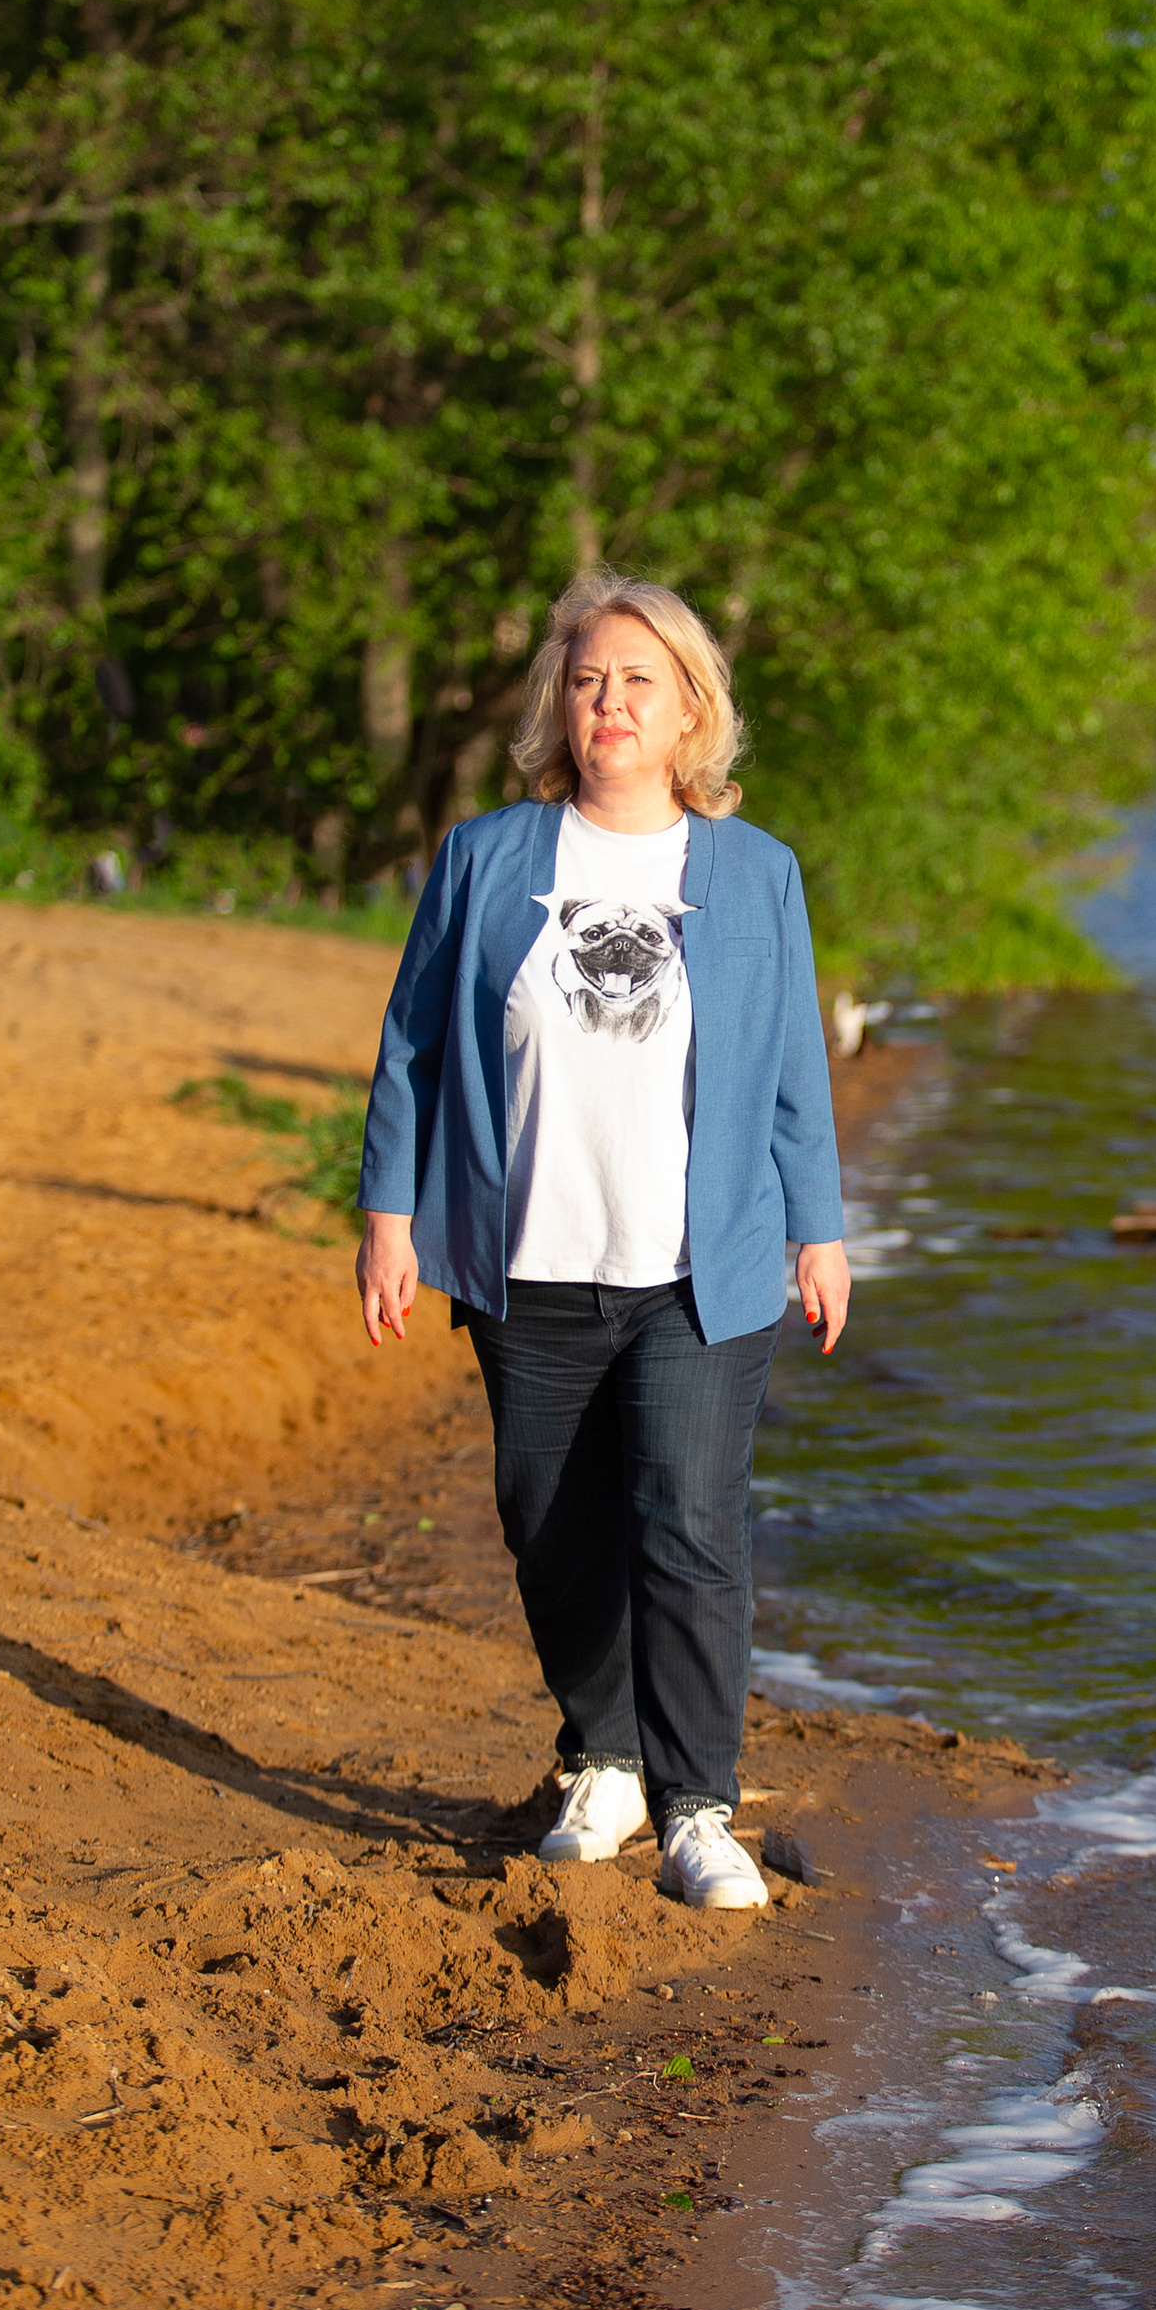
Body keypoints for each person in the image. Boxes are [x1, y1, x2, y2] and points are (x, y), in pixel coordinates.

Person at [353, 573, 849, 1913]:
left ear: (691, 707)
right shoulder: (486, 858)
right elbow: (409, 1046)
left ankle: (698, 1808)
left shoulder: (757, 875)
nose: (608, 702)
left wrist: (820, 1230)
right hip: (528, 1261)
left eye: (638, 680)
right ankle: (605, 1757)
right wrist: (388, 1215)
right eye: (587, 681)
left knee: (688, 1525)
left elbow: (796, 1066)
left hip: (704, 1271)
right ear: (558, 709)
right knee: (550, 1525)